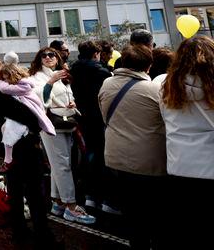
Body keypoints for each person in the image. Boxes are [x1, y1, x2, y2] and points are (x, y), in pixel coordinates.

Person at [0, 57, 59, 249]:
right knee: (34, 191)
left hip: (11, 147)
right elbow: (27, 115)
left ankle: (19, 229)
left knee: (15, 188)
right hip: (22, 148)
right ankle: (42, 233)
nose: (3, 71)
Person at [99, 45, 167, 250]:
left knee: (132, 213)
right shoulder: (155, 89)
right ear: (149, 65)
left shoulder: (107, 83)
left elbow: (105, 116)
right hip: (149, 161)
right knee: (155, 214)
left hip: (116, 157)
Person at [158, 36, 214, 247]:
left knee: (188, 231)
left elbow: (165, 119)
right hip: (210, 166)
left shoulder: (167, 85)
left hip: (179, 165)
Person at [29, 47, 95, 224]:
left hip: (66, 124)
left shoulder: (63, 76)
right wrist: (50, 82)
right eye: (44, 55)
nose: (48, 57)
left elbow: (65, 97)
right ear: (39, 59)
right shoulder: (37, 77)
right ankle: (71, 206)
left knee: (60, 164)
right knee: (62, 165)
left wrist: (70, 102)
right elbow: (40, 100)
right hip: (51, 125)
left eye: (52, 55)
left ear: (57, 58)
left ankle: (58, 201)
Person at [69, 40, 114, 213]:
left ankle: (89, 196)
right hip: (98, 118)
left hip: (81, 118)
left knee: (88, 155)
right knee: (101, 158)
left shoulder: (73, 70)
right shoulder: (101, 72)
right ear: (96, 54)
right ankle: (104, 199)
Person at [0, 52, 55, 172]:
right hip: (26, 115)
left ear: (12, 75)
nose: (5, 80)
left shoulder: (22, 87)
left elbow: (4, 88)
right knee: (6, 129)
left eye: (6, 77)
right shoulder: (23, 83)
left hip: (28, 114)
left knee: (8, 131)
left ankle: (8, 160)